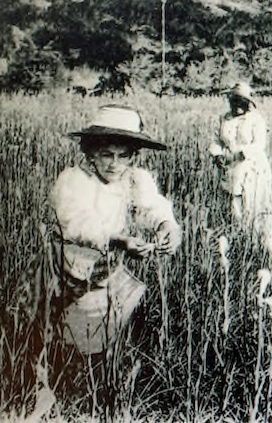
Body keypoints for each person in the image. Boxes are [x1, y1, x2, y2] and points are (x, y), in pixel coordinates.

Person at [49, 104, 181, 355]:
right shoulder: (75, 180)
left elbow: (152, 208)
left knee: (107, 333)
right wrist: (118, 240)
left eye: (123, 156)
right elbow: (77, 223)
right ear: (91, 153)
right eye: (107, 155)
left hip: (105, 270)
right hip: (68, 269)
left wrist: (167, 227)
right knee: (72, 339)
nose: (114, 164)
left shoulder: (134, 179)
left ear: (133, 157)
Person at [209, 82, 272, 251]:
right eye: (234, 100)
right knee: (233, 205)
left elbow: (259, 144)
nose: (237, 105)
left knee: (252, 205)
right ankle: (236, 240)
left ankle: (254, 243)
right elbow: (217, 140)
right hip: (230, 168)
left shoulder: (256, 120)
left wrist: (240, 154)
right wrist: (217, 155)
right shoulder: (224, 118)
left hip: (252, 167)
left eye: (241, 101)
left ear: (248, 103)